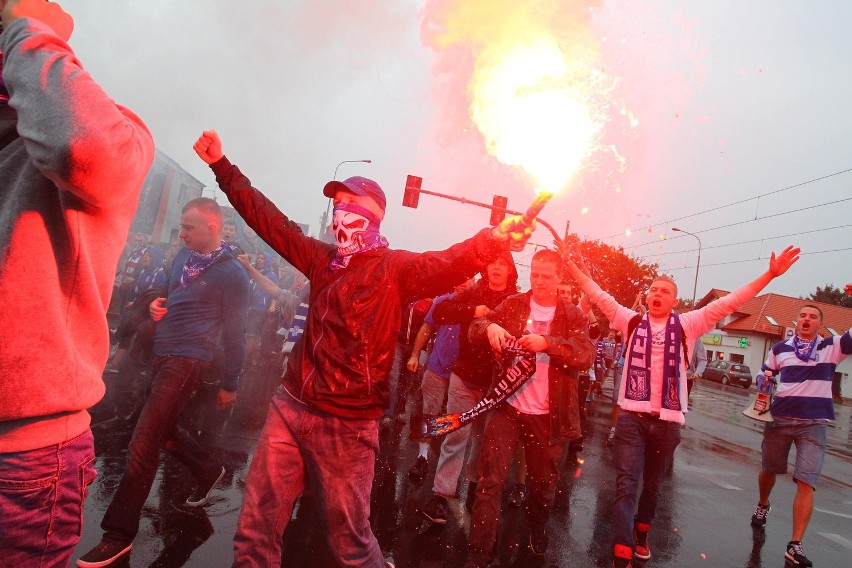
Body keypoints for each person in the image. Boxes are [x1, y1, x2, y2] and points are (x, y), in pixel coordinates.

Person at [191, 129, 535, 568]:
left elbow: (448, 263)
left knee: (351, 544)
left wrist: (494, 240)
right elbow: (269, 220)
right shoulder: (320, 259)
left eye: (349, 208)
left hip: (349, 424)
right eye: (337, 208)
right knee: (255, 532)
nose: (340, 217)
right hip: (290, 406)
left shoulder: (397, 270)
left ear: (372, 218)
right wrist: (223, 168)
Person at [0, 1, 155, 565]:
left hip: (23, 458)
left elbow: (82, 146)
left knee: (152, 433)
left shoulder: (119, 135)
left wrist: (29, 27)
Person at [563, 244, 800, 568]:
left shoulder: (690, 324)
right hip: (631, 418)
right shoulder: (628, 320)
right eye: (654, 289)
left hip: (667, 423)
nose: (658, 293)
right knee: (625, 487)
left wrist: (770, 275)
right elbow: (597, 293)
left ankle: (642, 532)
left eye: (665, 291)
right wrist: (571, 266)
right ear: (647, 297)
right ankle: (621, 554)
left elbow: (733, 301)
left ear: (674, 301)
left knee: (651, 488)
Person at [77, 198, 250, 567]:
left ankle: (118, 535)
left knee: (143, 441)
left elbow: (237, 335)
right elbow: (170, 297)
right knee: (163, 430)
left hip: (190, 359)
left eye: (188, 227)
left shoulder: (233, 274)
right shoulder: (180, 259)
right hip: (161, 352)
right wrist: (157, 306)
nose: (182, 232)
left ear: (212, 228)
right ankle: (207, 469)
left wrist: (230, 382)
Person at [464, 249, 595, 566]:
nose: (539, 281)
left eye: (546, 276)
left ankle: (537, 528)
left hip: (549, 418)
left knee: (542, 487)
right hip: (507, 407)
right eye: (535, 274)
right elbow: (475, 329)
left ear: (559, 277)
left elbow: (585, 355)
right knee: (490, 481)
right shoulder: (514, 305)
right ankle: (479, 554)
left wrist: (548, 343)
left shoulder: (572, 314)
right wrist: (489, 329)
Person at [749, 295, 851, 568]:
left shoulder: (832, 346)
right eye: (802, 315)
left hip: (814, 423)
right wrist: (765, 381)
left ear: (820, 324)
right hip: (779, 419)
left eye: (812, 316)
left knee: (807, 481)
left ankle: (794, 544)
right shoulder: (781, 348)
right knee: (769, 469)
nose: (806, 319)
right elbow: (766, 372)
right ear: (796, 321)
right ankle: (763, 503)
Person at [419, 252, 518, 524]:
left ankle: (475, 488)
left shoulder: (518, 301)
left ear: (511, 271)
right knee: (454, 435)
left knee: (483, 442)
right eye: (494, 262)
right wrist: (472, 311)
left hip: (497, 384)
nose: (497, 267)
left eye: (503, 264)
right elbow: (440, 312)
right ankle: (441, 495)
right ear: (486, 268)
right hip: (463, 376)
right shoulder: (474, 293)